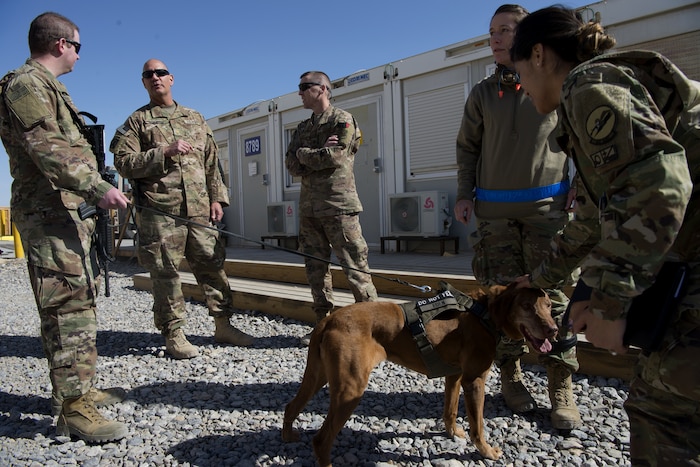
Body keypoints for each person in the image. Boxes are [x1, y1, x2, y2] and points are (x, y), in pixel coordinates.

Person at [511, 6, 699, 464]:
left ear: (538, 54)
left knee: (665, 416)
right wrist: (538, 278)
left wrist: (611, 302)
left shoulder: (587, 85)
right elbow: (595, 218)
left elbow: (660, 185)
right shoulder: (605, 90)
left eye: (518, 71)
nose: (520, 86)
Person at [0, 12, 130, 442]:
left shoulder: (48, 86)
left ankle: (78, 390)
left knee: (77, 302)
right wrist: (96, 187)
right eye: (78, 46)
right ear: (60, 44)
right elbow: (47, 147)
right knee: (67, 309)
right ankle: (73, 410)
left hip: (65, 213)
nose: (78, 54)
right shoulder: (26, 84)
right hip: (49, 215)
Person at [454, 4, 580, 430]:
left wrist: (582, 182)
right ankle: (510, 376)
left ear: (528, 38)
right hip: (494, 217)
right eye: (492, 31)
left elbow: (579, 136)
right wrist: (463, 193)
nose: (496, 38)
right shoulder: (482, 94)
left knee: (555, 300)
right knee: (502, 303)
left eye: (506, 30)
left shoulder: (553, 83)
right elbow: (467, 148)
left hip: (548, 213)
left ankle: (561, 387)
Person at [110, 59, 254, 359]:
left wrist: (217, 199)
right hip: (161, 213)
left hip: (200, 210)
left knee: (213, 267)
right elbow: (123, 164)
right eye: (148, 74)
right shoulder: (137, 122)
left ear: (171, 79)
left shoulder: (195, 118)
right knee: (165, 274)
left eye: (160, 73)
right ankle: (174, 334)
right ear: (144, 83)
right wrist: (163, 151)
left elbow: (212, 163)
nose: (155, 78)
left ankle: (223, 324)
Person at [285, 71, 378, 346]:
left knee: (355, 267)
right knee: (315, 270)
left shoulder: (342, 120)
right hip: (310, 209)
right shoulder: (303, 128)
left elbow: (335, 157)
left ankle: (374, 328)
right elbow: (291, 164)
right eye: (299, 87)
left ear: (323, 88)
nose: (300, 92)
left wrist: (305, 153)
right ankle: (322, 325)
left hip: (339, 206)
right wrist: (313, 154)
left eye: (305, 87)